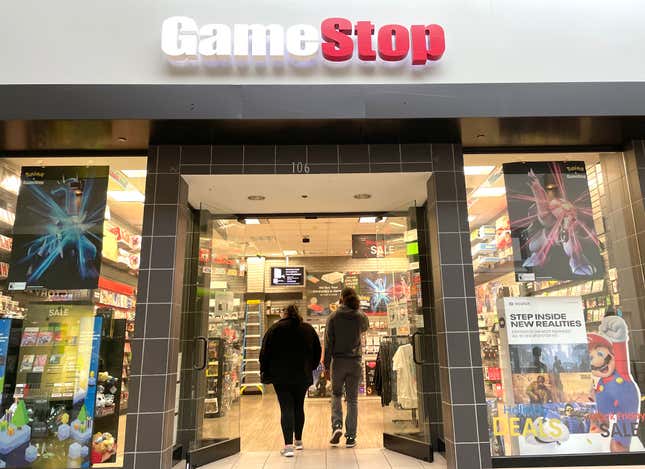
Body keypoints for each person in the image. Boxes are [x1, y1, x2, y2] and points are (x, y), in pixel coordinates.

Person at [260, 305, 322, 458]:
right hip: (302, 375)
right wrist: (311, 367)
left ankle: (288, 447)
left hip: (280, 377)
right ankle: (298, 441)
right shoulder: (307, 329)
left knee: (286, 408)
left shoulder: (274, 329)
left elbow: (264, 353)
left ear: (285, 313)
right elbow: (317, 350)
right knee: (298, 406)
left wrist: (265, 371)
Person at [324, 287, 369, 448]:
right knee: (352, 400)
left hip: (338, 363)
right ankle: (351, 437)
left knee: (336, 395)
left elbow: (328, 343)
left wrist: (326, 366)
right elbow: (365, 327)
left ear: (341, 298)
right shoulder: (360, 316)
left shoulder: (333, 316)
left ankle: (337, 427)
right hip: (355, 362)